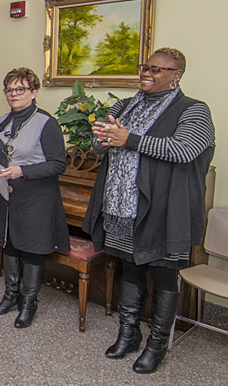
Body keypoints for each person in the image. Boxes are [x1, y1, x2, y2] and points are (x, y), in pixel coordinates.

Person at [84, 47, 215, 374]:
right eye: (146, 66)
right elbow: (99, 147)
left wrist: (129, 138)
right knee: (131, 268)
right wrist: (102, 136)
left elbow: (184, 150)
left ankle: (157, 345)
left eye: (158, 69)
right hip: (121, 208)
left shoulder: (194, 110)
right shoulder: (123, 106)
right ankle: (128, 334)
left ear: (176, 75)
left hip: (163, 210)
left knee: (163, 274)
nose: (148, 72)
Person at [0, 67, 69, 328]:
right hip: (7, 195)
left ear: (34, 92)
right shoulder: (1, 122)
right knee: (10, 244)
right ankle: (10, 296)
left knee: (32, 249)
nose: (13, 94)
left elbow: (58, 164)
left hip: (36, 198)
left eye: (20, 89)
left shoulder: (46, 123)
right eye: (9, 90)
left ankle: (29, 303)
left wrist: (23, 171)